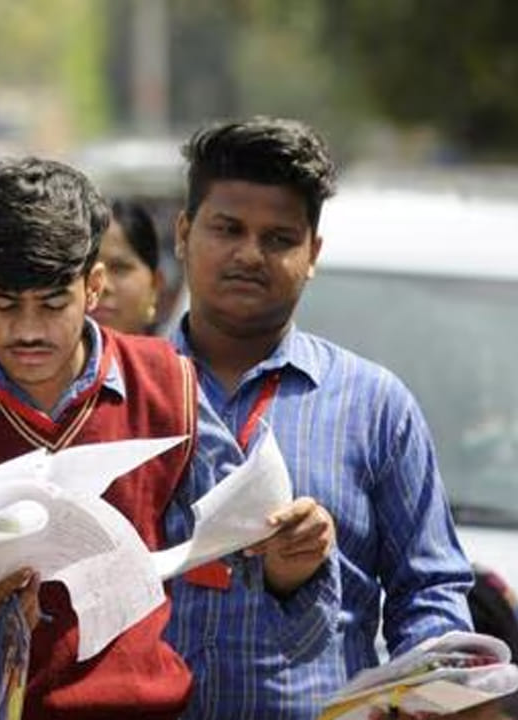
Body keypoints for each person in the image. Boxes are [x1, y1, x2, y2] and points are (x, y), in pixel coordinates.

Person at [0, 157, 334, 720]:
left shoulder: (169, 386)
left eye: (52, 304)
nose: (28, 330)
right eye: (4, 304)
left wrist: (293, 557)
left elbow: (248, 563)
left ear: (93, 287)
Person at [164, 117, 473, 719]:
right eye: (227, 229)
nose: (249, 254)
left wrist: (428, 693)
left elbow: (430, 591)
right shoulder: (118, 392)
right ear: (183, 234)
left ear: (313, 255)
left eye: (279, 238)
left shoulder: (375, 407)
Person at [88, 199, 165, 336]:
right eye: (87, 269)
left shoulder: (177, 350)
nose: (102, 287)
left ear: (155, 285)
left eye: (119, 268)